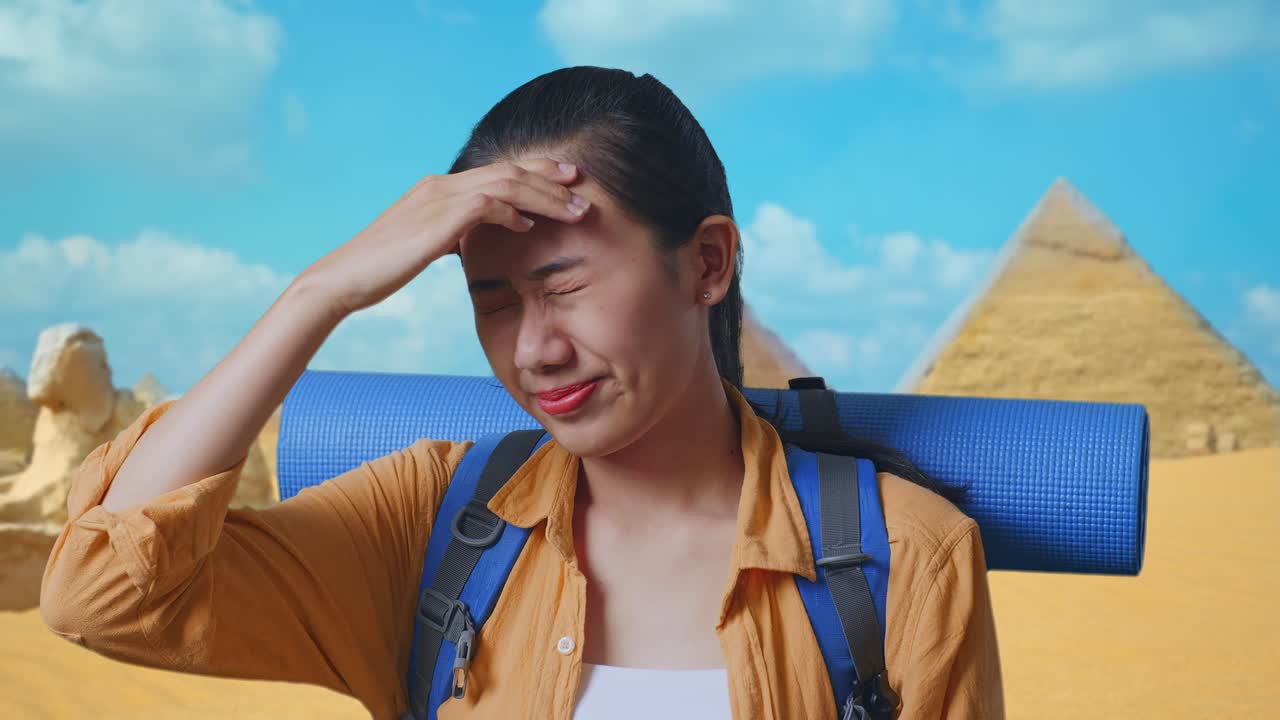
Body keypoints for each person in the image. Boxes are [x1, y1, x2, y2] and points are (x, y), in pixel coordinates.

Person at [40, 66, 1004, 719]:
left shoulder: (904, 559)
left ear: (707, 264)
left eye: (567, 286)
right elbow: (101, 597)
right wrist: (320, 293)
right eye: (492, 302)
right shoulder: (428, 523)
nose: (535, 350)